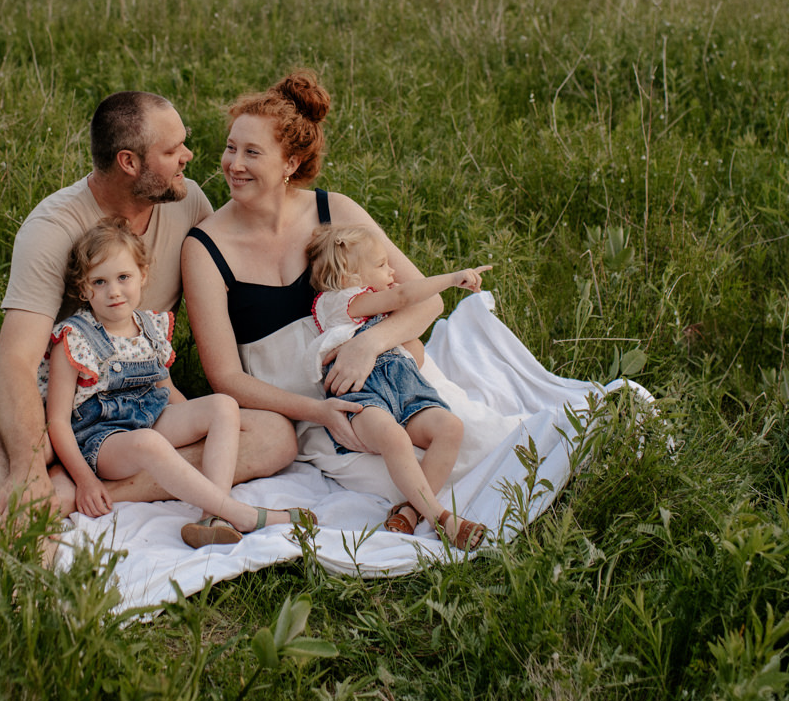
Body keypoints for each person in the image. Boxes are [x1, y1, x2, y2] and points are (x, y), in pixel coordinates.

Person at [0, 90, 298, 527]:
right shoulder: (52, 228)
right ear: (129, 163)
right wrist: (30, 468)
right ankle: (29, 485)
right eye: (171, 150)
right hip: (77, 400)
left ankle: (87, 494)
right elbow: (16, 359)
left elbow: (244, 262)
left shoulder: (188, 203)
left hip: (145, 397)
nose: (188, 155)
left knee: (275, 437)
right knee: (8, 437)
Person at [182, 69, 465, 504]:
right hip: (296, 405)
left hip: (369, 378)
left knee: (462, 452)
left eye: (252, 152)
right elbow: (225, 376)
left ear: (290, 164)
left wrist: (367, 346)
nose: (234, 165)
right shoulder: (204, 247)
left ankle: (419, 510)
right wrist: (318, 411)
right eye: (230, 147)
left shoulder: (333, 209)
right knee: (384, 481)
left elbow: (428, 299)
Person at [45, 218, 312, 546]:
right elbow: (57, 421)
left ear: (142, 275)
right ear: (84, 288)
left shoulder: (150, 327)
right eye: (99, 282)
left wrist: (199, 425)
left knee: (223, 406)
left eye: (123, 277)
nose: (113, 291)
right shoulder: (74, 337)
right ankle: (239, 513)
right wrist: (84, 480)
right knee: (149, 443)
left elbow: (166, 391)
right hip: (103, 442)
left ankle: (210, 516)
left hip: (150, 419)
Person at [304, 223, 488, 548]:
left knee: (450, 428)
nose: (391, 271)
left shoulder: (371, 302)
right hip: (363, 395)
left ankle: (410, 512)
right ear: (349, 276)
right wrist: (450, 278)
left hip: (404, 388)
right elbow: (404, 296)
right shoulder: (339, 302)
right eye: (381, 265)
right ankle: (440, 517)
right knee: (394, 438)